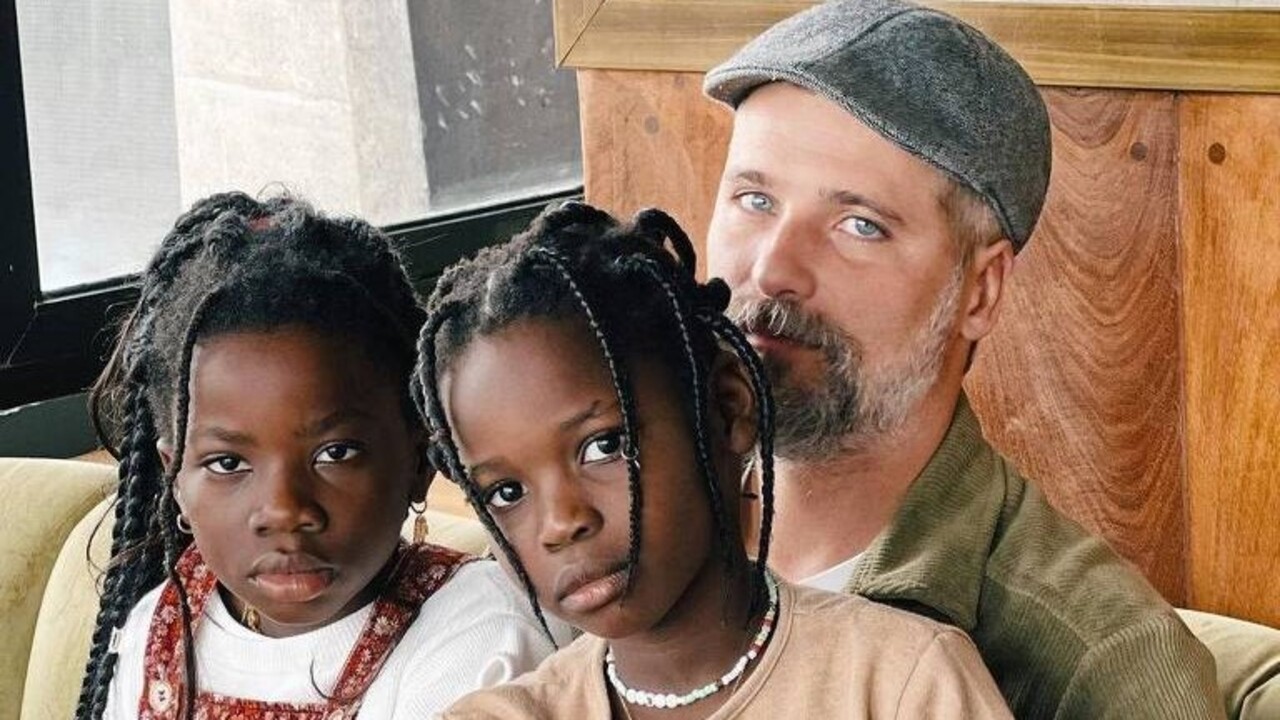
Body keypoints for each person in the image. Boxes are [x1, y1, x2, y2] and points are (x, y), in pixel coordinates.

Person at [700, 1, 1223, 717]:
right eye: (754, 199)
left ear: (980, 291)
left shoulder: (1104, 667)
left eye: (860, 225)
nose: (774, 265)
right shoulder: (611, 522)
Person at [421, 202, 1011, 718]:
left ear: (729, 407)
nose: (560, 522)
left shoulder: (901, 684)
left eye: (604, 446)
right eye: (506, 492)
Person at [77, 193, 557, 719]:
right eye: (227, 463)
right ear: (174, 478)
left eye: (335, 453)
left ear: (420, 462)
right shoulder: (160, 630)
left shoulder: (476, 636)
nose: (285, 509)